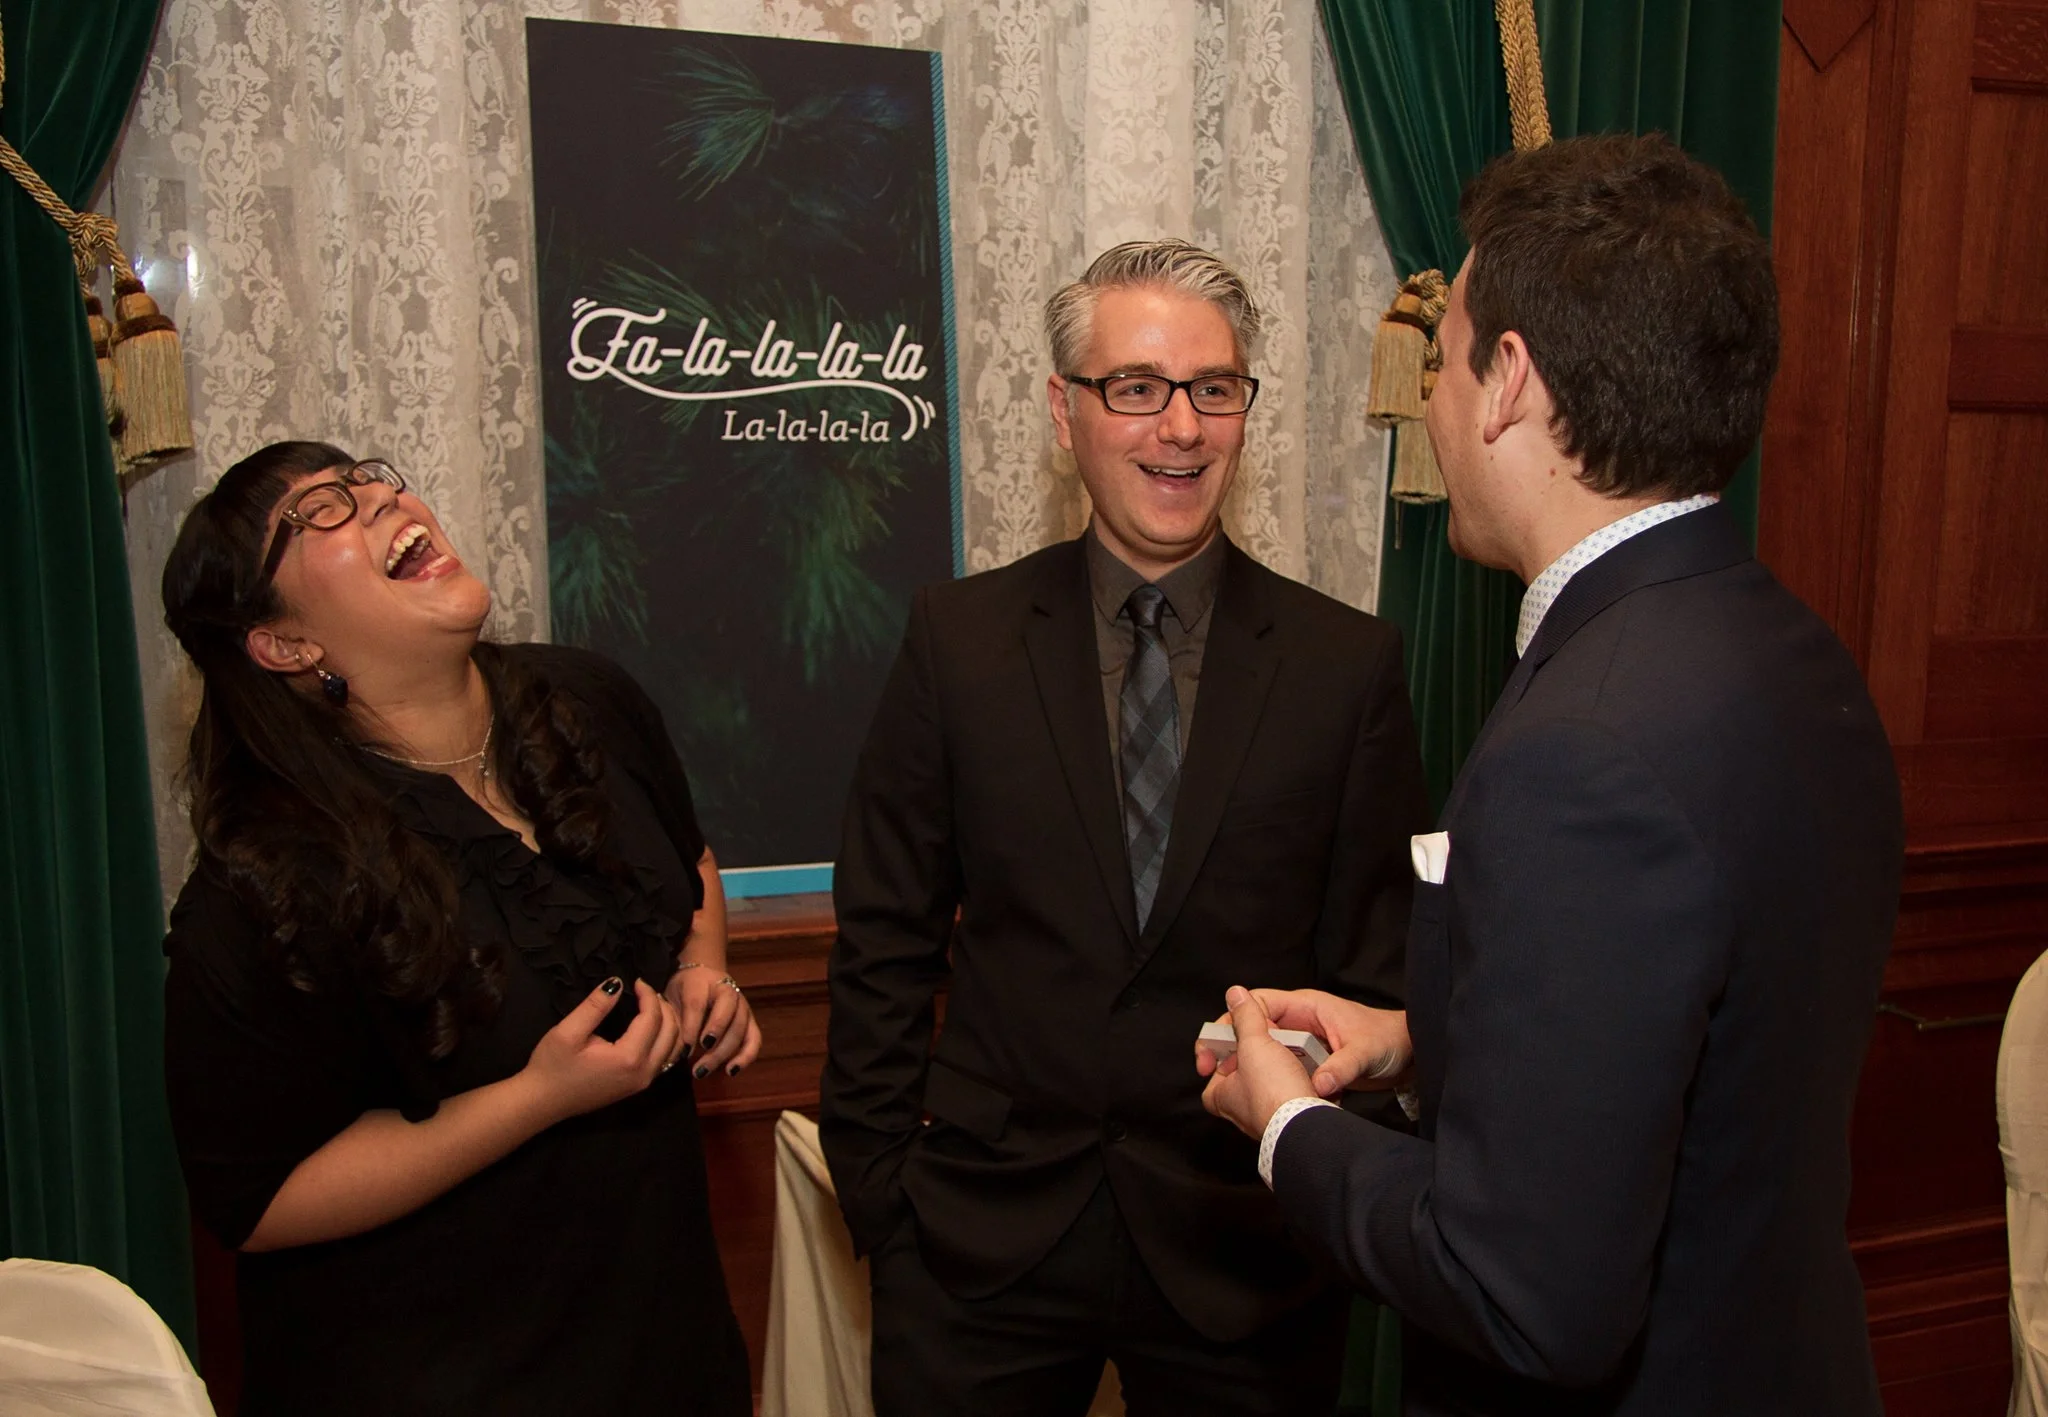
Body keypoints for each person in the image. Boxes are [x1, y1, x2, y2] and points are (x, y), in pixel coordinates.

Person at [1200, 134, 1905, 1415]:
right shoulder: (1786, 647)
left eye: (1440, 355)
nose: (1427, 399)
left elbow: (1522, 1292)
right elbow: (1696, 1043)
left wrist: (1286, 1126)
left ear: (1505, 380)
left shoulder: (1583, 749)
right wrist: (1425, 1047)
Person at [820, 239, 1431, 1415]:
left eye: (1213, 388)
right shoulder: (958, 643)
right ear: (1064, 412)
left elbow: (1374, 965)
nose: (1180, 428)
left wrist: (1326, 1202)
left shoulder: (1344, 666)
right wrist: (883, 1200)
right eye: (1136, 387)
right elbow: (884, 938)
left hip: (1245, 1251)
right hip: (976, 1245)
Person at [158, 441, 759, 1416]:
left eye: (370, 476)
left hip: (662, 1347)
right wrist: (536, 1098)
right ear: (284, 644)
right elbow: (259, 1203)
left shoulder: (585, 700)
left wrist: (707, 973)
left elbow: (683, 859)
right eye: (323, 510)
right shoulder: (265, 877)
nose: (382, 494)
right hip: (439, 1373)